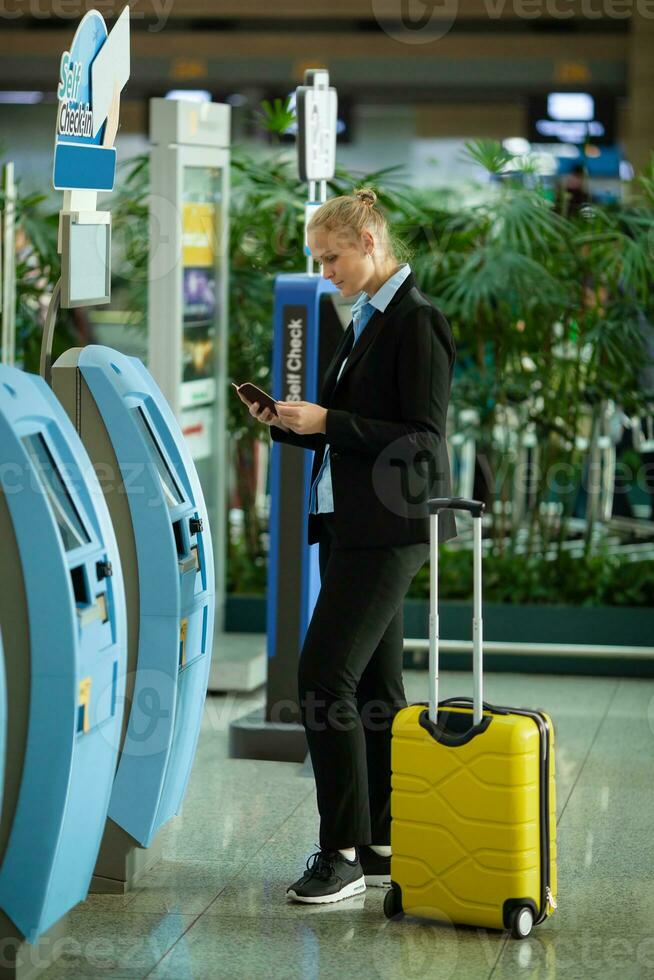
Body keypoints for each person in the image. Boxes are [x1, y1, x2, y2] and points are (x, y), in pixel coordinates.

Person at [237, 188, 457, 905]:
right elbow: (352, 424)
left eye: (332, 257)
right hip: (353, 525)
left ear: (369, 243)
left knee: (322, 679)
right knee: (372, 692)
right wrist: (287, 421)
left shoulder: (415, 322)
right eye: (319, 259)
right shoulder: (365, 319)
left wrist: (329, 420)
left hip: (388, 529)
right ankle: (382, 841)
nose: (325, 270)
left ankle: (339, 854)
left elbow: (422, 439)